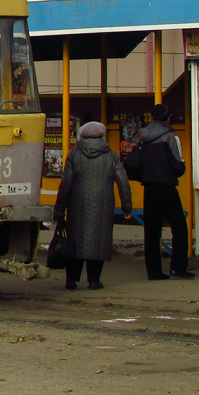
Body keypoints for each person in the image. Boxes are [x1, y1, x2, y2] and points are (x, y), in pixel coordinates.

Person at [54, 121, 132, 290]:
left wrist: (59, 208)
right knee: (99, 241)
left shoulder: (74, 155)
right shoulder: (111, 156)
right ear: (102, 136)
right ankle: (94, 280)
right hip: (103, 204)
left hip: (77, 204)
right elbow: (123, 183)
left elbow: (66, 183)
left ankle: (71, 280)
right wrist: (127, 207)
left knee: (75, 241)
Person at [136, 103, 193, 280]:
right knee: (180, 228)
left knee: (152, 231)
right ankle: (178, 268)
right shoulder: (170, 137)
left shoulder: (142, 136)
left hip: (149, 188)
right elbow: (177, 166)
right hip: (167, 188)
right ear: (168, 118)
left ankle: (153, 271)